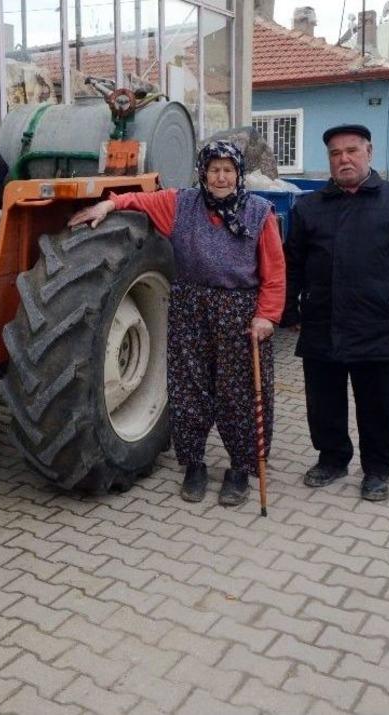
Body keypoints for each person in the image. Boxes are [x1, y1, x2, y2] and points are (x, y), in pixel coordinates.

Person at [68, 141, 285, 506]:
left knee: (240, 393)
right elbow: (138, 200)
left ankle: (239, 469)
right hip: (190, 306)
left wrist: (267, 315)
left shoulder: (258, 212)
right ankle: (194, 465)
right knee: (189, 387)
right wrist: (108, 204)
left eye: (228, 170)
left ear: (238, 174)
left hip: (239, 310)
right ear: (203, 172)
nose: (221, 177)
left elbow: (275, 271)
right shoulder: (182, 204)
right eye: (214, 169)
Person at [283, 124, 389, 501]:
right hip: (321, 323)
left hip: (375, 324)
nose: (344, 159)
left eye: (352, 150)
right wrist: (289, 310)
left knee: (377, 405)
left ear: (369, 152)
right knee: (323, 403)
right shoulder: (309, 207)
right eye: (336, 154)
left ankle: (377, 471)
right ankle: (333, 459)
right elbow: (292, 264)